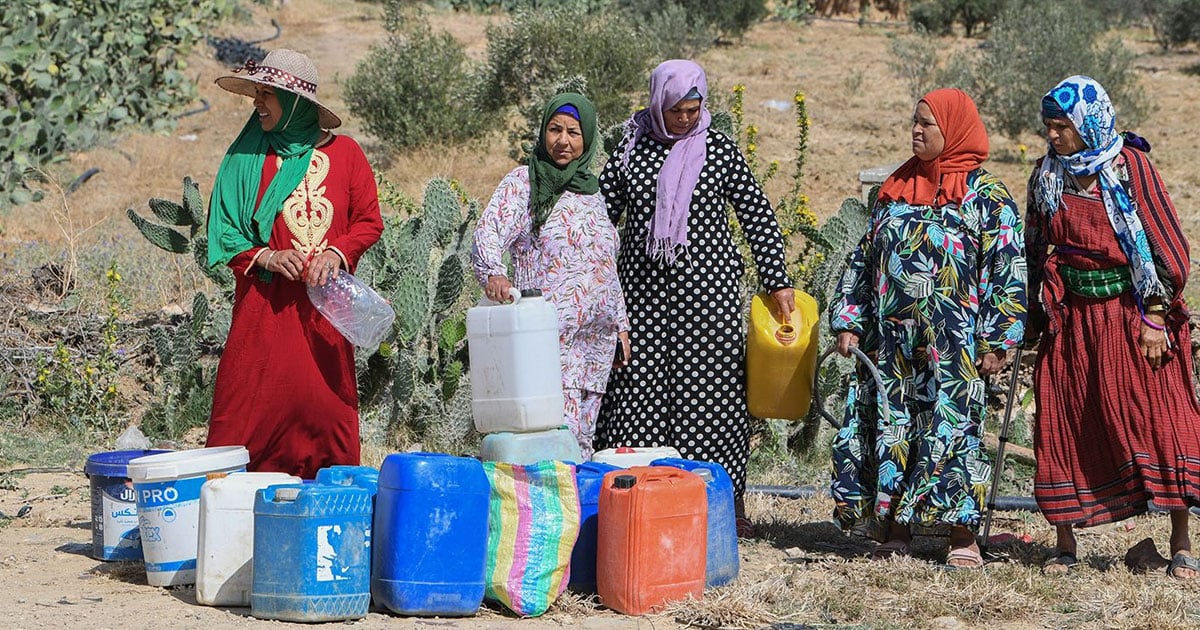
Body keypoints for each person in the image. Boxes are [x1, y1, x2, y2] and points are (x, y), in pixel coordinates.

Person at [595, 59, 795, 537]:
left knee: (713, 398)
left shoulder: (719, 151)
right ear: (658, 103)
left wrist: (777, 279)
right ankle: (640, 497)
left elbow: (757, 214)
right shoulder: (631, 149)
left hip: (708, 299)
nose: (685, 119)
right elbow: (599, 216)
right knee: (639, 393)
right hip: (642, 298)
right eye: (675, 110)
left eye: (692, 108)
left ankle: (725, 501)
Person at [828, 88, 1026, 567]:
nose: (916, 131)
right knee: (893, 425)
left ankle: (961, 535)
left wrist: (998, 337)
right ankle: (895, 528)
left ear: (953, 131)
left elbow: (1009, 269)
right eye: (914, 122)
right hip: (891, 341)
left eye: (927, 125)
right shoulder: (894, 189)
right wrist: (849, 319)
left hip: (953, 343)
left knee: (954, 428)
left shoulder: (988, 198)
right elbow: (863, 258)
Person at [1026, 75, 1200, 578]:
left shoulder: (1131, 169)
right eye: (1049, 127)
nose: (1053, 135)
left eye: (1062, 127)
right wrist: (1033, 318)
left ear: (1087, 123)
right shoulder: (1046, 175)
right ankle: (1064, 543)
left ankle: (1182, 538)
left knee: (1159, 418)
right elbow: (1036, 246)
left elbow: (1169, 249)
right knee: (1064, 419)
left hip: (1132, 315)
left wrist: (1155, 316)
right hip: (1074, 317)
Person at [205, 49, 383, 479]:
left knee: (323, 407)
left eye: (269, 95)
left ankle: (330, 499)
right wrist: (266, 254)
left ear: (297, 104)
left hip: (325, 314)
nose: (258, 103)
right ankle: (228, 497)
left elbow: (368, 221)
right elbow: (225, 230)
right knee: (246, 405)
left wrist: (336, 252)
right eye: (258, 94)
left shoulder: (347, 155)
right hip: (264, 310)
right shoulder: (247, 158)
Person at [471, 92, 629, 460]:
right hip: (545, 337)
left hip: (595, 341)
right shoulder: (524, 183)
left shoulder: (592, 191)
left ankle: (574, 512)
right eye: (555, 129)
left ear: (587, 138)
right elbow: (489, 231)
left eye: (573, 132)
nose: (563, 141)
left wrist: (620, 324)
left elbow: (605, 261)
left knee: (583, 436)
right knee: (550, 435)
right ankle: (543, 511)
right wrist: (494, 273)